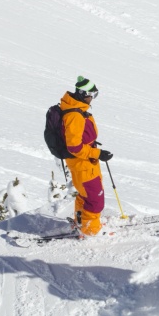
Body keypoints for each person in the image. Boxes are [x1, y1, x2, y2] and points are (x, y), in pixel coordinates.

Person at [61, 76, 113, 235]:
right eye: (93, 95)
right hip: (82, 164)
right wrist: (97, 153)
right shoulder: (75, 115)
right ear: (84, 94)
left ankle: (81, 222)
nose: (93, 99)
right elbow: (74, 147)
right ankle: (91, 232)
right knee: (95, 201)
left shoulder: (77, 110)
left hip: (84, 163)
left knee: (85, 196)